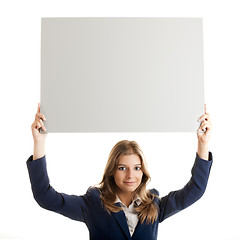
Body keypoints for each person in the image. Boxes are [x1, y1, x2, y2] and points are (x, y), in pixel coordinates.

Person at [27, 103, 213, 240]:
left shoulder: (153, 205)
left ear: (143, 172)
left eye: (137, 168)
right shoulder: (93, 204)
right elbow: (45, 197)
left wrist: (203, 144)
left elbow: (194, 191)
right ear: (112, 172)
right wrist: (39, 143)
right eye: (122, 168)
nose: (131, 175)